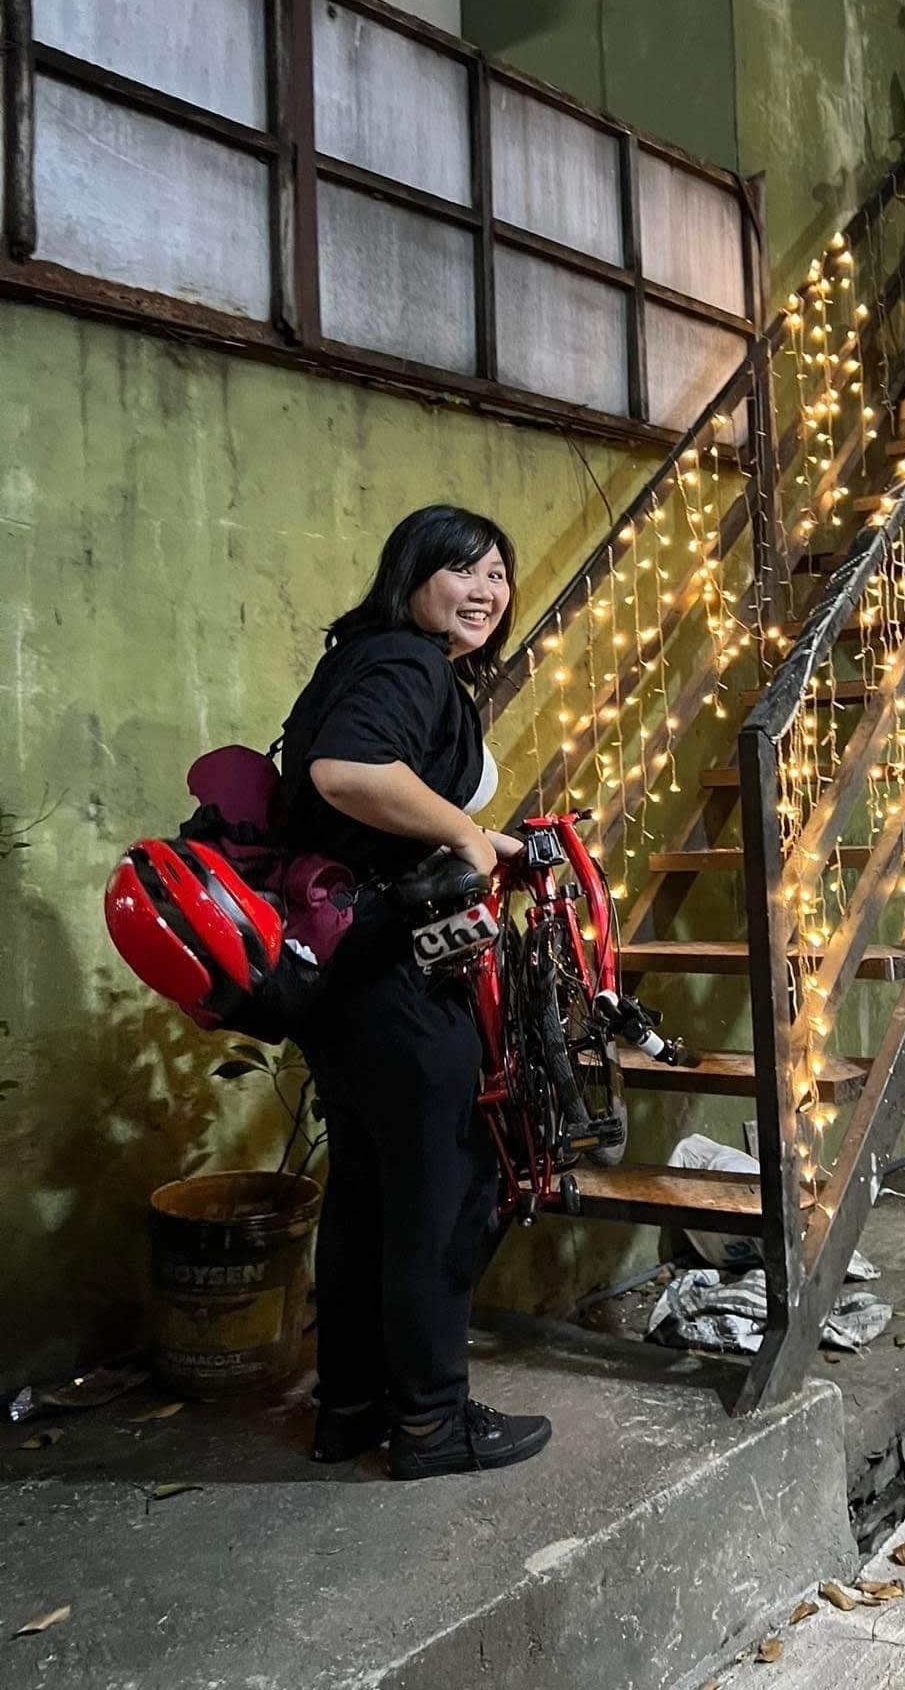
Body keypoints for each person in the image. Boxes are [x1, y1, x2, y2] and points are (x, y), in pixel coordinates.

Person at [278, 503, 552, 1480]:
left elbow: (351, 810)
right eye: (464, 570)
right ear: (413, 574)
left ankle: (349, 1405)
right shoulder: (410, 661)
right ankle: (433, 1421)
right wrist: (472, 837)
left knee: (365, 1192)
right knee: (445, 1188)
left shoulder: (358, 653)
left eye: (500, 574)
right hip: (395, 974)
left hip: (335, 975)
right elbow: (348, 771)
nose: (488, 591)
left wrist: (490, 842)